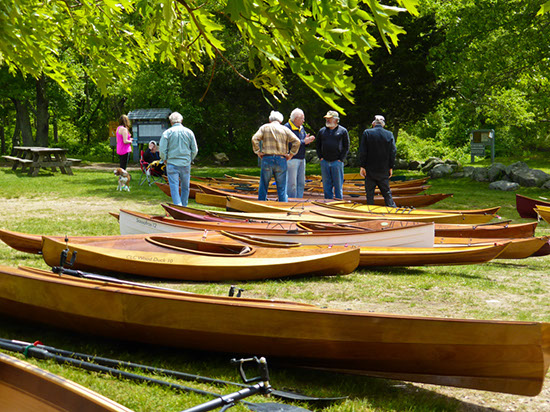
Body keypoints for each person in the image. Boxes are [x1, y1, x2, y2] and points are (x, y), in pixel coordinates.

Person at [251, 110, 301, 202]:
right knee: (282, 187)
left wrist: (258, 152)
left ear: (270, 120)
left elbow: (255, 138)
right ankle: (283, 207)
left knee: (263, 185)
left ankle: (261, 205)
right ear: (280, 121)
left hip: (267, 158)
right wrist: (291, 154)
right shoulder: (285, 129)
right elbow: (297, 141)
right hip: (281, 159)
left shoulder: (265, 127)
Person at [159, 112, 198, 207]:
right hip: (185, 163)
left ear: (171, 121)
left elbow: (162, 149)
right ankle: (184, 206)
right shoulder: (189, 132)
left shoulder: (167, 133)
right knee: (185, 186)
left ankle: (178, 206)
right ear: (181, 120)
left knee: (174, 187)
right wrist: (190, 159)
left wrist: (165, 159)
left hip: (172, 163)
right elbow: (195, 149)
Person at [359, 115, 397, 207]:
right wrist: (391, 166)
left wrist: (362, 166)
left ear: (373, 123)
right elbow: (393, 152)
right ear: (383, 124)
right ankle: (392, 210)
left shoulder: (367, 133)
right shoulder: (389, 134)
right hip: (383, 169)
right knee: (387, 193)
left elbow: (363, 151)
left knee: (370, 195)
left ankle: (370, 212)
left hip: (369, 169)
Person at [315, 110, 349, 199]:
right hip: (325, 161)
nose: (327, 120)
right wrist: (320, 157)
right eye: (327, 119)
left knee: (338, 185)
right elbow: (317, 145)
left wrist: (341, 159)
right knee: (326, 185)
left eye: (330, 118)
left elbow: (346, 146)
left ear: (336, 120)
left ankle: (338, 202)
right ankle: (328, 202)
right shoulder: (322, 131)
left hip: (337, 162)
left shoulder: (343, 131)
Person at [284, 108, 315, 199]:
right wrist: (303, 141)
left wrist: (308, 140)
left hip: (301, 158)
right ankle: (291, 200)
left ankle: (299, 199)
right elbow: (289, 143)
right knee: (291, 183)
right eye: (302, 118)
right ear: (296, 119)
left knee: (301, 182)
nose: (304, 121)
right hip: (292, 159)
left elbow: (301, 141)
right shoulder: (287, 128)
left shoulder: (301, 128)